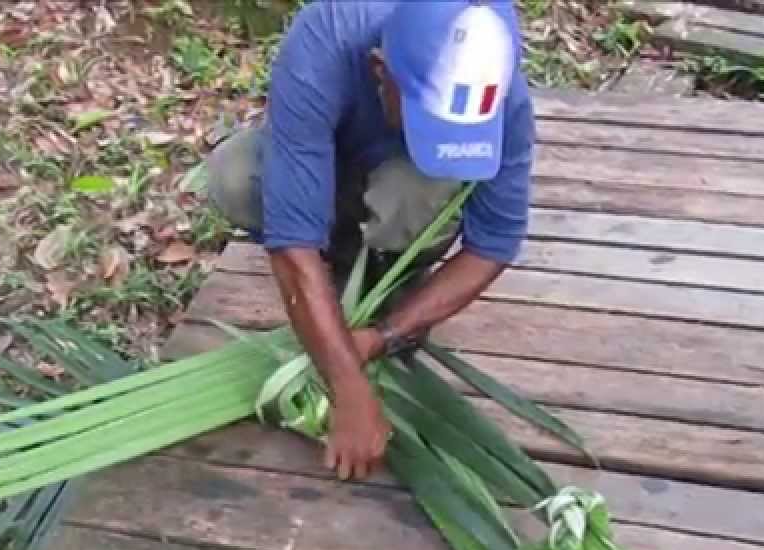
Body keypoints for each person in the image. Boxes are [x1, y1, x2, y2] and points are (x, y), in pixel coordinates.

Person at [206, 0, 534, 481]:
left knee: (417, 193)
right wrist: (349, 388)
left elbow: (494, 244)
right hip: (328, 169)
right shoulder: (326, 40)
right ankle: (340, 268)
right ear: (381, 70)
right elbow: (293, 244)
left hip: (401, 183)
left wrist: (383, 336)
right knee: (237, 175)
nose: (443, 133)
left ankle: (389, 273)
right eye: (429, 121)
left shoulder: (497, 88)